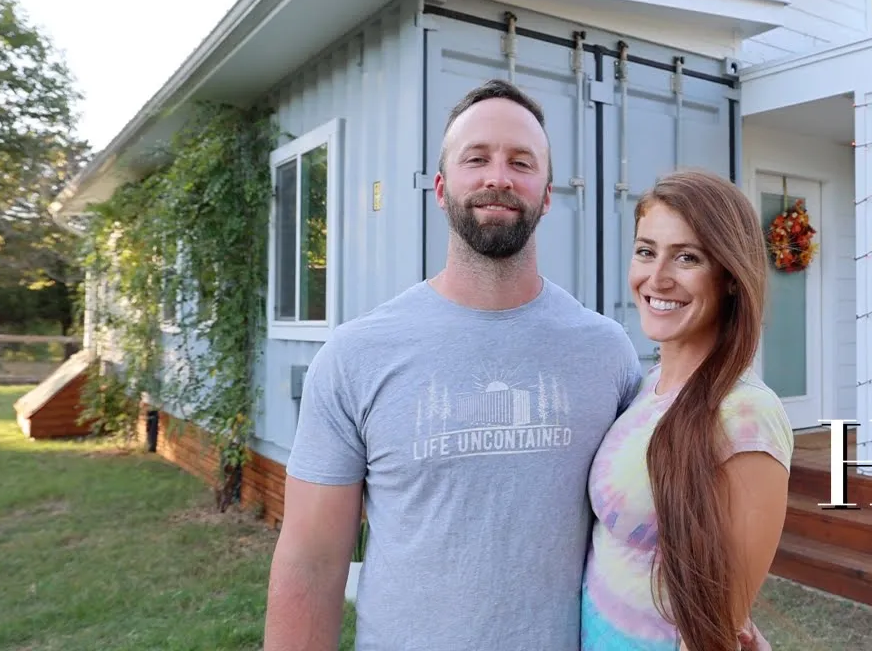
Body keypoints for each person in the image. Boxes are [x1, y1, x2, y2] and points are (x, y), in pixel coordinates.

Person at [263, 79, 768, 651]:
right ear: (440, 188)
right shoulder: (356, 356)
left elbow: (648, 518)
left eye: (521, 162)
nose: (498, 177)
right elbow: (310, 561)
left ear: (547, 195)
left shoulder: (606, 351)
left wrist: (723, 623)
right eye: (476, 158)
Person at [579, 170, 794, 651]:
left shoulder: (747, 416)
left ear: (731, 278)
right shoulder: (648, 385)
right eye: (646, 251)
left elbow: (718, 627)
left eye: (687, 257)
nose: (657, 278)